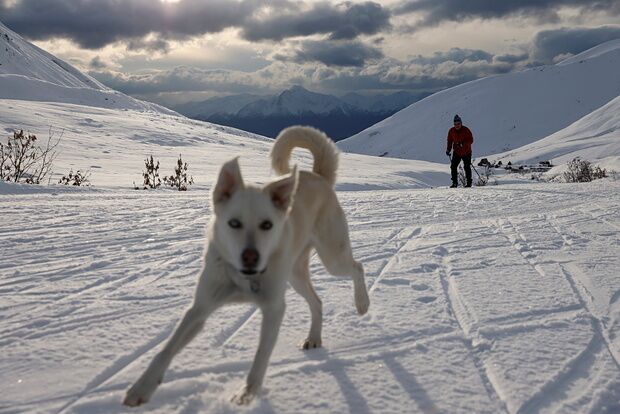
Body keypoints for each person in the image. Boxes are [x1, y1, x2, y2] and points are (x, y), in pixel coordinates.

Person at [446, 114, 474, 188]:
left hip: (466, 152)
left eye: (458, 124)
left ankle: (469, 183)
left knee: (467, 167)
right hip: (457, 152)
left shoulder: (466, 130)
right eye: (455, 124)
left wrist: (463, 144)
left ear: (461, 123)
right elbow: (449, 141)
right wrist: (448, 149)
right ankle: (454, 183)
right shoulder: (451, 131)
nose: (457, 125)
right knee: (453, 166)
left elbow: (471, 140)